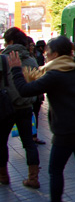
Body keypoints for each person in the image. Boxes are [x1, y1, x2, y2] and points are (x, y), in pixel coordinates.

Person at [7, 36, 75, 202]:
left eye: (47, 52)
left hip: (64, 132)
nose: (45, 55)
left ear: (56, 54)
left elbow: (25, 91)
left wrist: (16, 70)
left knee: (55, 170)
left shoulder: (54, 75)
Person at [0, 27, 41, 188]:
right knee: (29, 143)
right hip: (26, 107)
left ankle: (3, 176)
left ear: (10, 42)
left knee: (1, 142)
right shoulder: (31, 60)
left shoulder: (3, 59)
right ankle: (33, 177)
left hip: (6, 108)